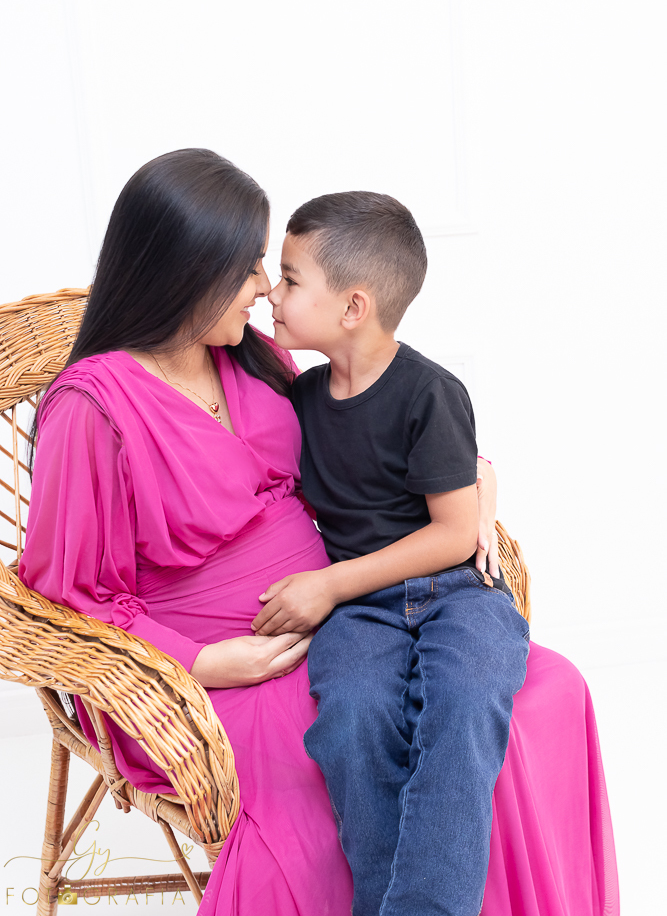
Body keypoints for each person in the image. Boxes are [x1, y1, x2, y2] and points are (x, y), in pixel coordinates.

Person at [19, 150, 619, 916]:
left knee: (542, 696)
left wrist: (474, 476)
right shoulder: (91, 409)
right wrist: (202, 663)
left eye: (271, 268)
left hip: (353, 612)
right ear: (183, 270)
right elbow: (69, 598)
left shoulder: (252, 356)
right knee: (345, 763)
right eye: (245, 269)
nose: (264, 287)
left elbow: (370, 440)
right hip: (214, 666)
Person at [251, 192, 529, 916]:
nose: (269, 295)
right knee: (349, 717)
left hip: (456, 595)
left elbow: (450, 532)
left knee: (463, 703)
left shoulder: (431, 393)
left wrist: (328, 583)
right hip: (362, 616)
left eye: (287, 279)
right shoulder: (298, 398)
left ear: (351, 307)